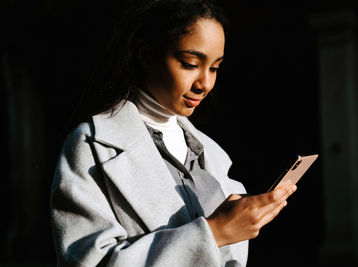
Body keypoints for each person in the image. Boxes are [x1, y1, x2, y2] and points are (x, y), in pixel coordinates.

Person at [50, 0, 297, 266]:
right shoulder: (91, 145)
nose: (205, 84)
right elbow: (89, 261)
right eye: (190, 63)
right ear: (146, 56)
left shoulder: (209, 152)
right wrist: (215, 232)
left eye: (214, 67)